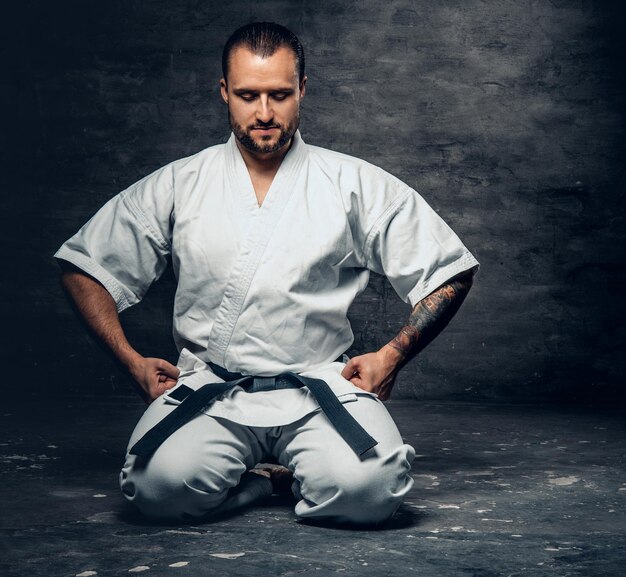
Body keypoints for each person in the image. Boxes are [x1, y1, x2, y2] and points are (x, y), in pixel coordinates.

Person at [56, 22, 478, 526]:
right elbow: (83, 267)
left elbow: (448, 270)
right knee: (155, 490)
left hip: (320, 386)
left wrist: (392, 356)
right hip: (211, 388)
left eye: (279, 94)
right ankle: (265, 483)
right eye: (247, 95)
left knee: (371, 491)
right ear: (223, 92)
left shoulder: (350, 183)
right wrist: (131, 361)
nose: (263, 113)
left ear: (303, 89)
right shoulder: (181, 183)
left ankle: (295, 473)